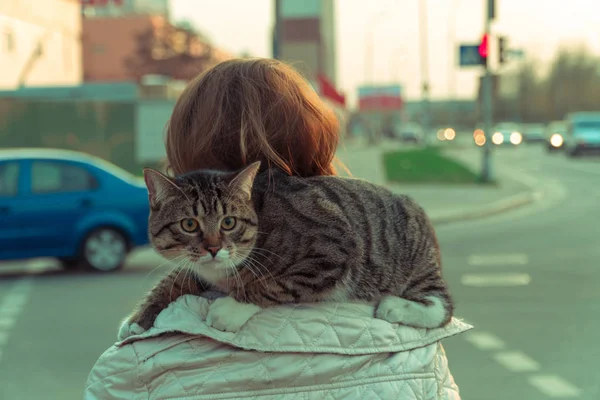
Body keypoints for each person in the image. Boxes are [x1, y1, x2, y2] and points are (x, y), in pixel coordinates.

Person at [84, 58, 472, 399]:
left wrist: (250, 299)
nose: (212, 242)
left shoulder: (131, 370)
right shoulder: (418, 352)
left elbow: (327, 255)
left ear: (180, 158)